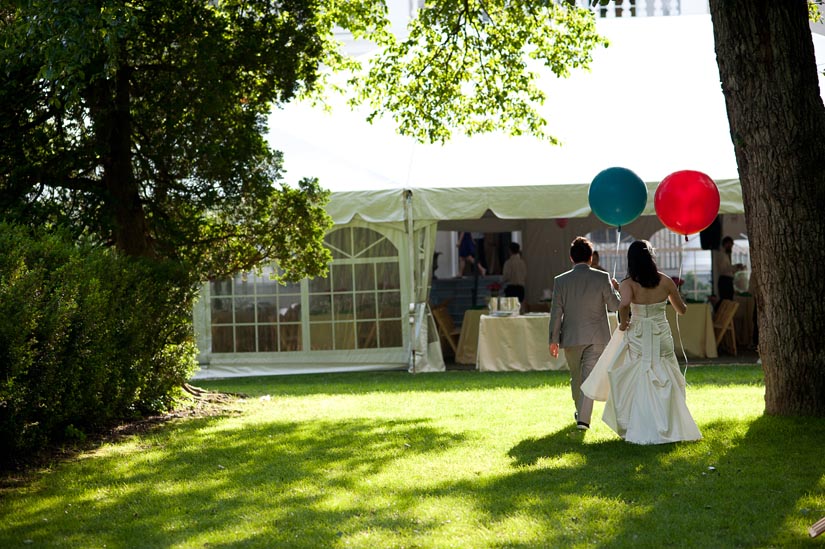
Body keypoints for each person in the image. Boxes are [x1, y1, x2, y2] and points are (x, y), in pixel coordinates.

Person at [598, 240, 702, 445]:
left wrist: (623, 323)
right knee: (667, 373)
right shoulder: (665, 281)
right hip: (660, 333)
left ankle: (642, 424)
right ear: (651, 258)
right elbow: (681, 310)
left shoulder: (628, 283)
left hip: (638, 335)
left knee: (639, 376)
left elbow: (624, 304)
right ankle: (671, 422)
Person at [549, 236, 621, 431]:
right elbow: (615, 306)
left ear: (571, 258)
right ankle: (582, 416)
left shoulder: (560, 281)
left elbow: (556, 313)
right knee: (586, 377)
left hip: (571, 337)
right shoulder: (602, 277)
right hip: (597, 337)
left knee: (577, 377)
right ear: (591, 258)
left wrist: (553, 339)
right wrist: (617, 290)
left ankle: (582, 419)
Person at [717, 235, 735, 303]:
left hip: (727, 280)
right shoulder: (722, 255)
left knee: (729, 301)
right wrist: (735, 267)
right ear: (726, 244)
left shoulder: (725, 255)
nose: (731, 247)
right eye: (730, 245)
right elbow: (723, 269)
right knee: (726, 302)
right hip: (725, 281)